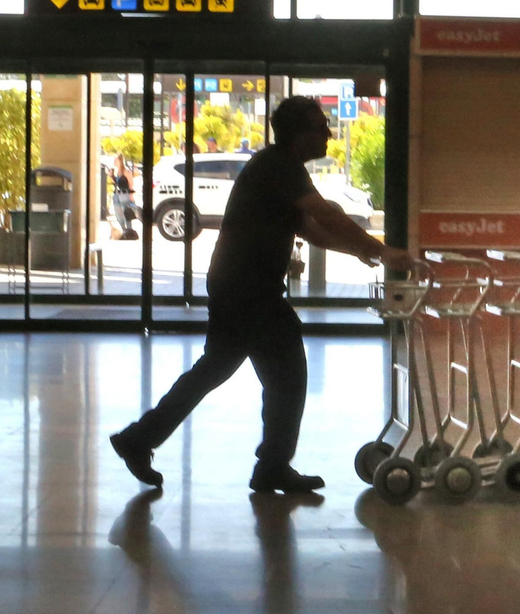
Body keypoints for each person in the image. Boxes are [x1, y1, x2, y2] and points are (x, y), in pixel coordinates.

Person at [110, 96, 415, 494]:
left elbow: (307, 227)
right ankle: (271, 465)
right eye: (320, 125)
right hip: (249, 289)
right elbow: (326, 214)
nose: (327, 132)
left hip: (237, 284)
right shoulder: (278, 166)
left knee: (215, 368)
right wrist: (380, 249)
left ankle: (139, 439)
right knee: (288, 375)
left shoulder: (279, 168)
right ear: (298, 134)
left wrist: (357, 249)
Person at [110, 155, 140, 239]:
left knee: (126, 212)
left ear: (120, 161)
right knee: (118, 213)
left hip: (125, 194)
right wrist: (112, 176)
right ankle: (124, 230)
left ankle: (129, 231)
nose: (114, 163)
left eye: (116, 161)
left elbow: (131, 183)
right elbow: (117, 183)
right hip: (117, 194)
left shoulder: (126, 171)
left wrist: (131, 196)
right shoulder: (117, 171)